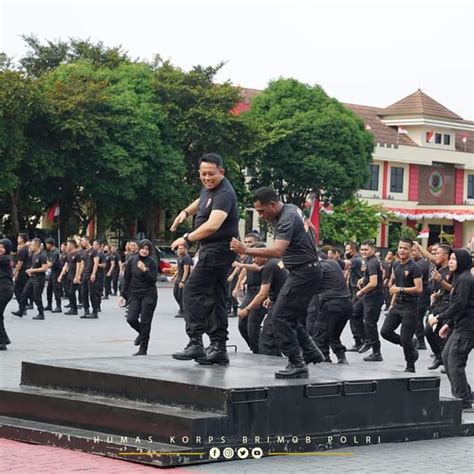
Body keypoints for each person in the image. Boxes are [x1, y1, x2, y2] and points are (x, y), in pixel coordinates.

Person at [231, 187, 323, 379]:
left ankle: (297, 363)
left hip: (304, 272)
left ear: (272, 204)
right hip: (305, 270)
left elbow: (277, 251)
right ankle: (310, 351)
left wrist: (246, 249)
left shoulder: (286, 218)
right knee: (287, 317)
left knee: (279, 318)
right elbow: (312, 229)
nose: (261, 216)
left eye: (262, 211)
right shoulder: (292, 208)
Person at [171, 153, 239, 366]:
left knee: (191, 290)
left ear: (222, 172)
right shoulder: (209, 188)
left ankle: (195, 341)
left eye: (211, 174)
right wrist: (185, 212)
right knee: (215, 295)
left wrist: (185, 238)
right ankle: (219, 347)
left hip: (218, 249)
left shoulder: (225, 193)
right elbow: (200, 201)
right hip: (214, 249)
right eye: (203, 174)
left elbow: (212, 225)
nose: (207, 178)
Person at [432, 249, 473, 410]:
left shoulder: (464, 279)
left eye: (454, 259)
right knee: (446, 356)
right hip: (461, 324)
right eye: (450, 259)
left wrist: (440, 318)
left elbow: (459, 305)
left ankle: (463, 400)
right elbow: (460, 305)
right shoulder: (459, 278)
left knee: (455, 361)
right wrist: (448, 325)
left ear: (462, 262)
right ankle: (465, 393)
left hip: (468, 327)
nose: (450, 261)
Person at [381, 238, 422, 372]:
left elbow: (419, 288)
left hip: (410, 306)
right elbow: (395, 286)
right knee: (385, 332)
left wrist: (401, 290)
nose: (402, 251)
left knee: (406, 338)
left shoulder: (414, 267)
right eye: (400, 248)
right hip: (397, 305)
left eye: (405, 248)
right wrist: (392, 304)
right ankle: (409, 344)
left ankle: (410, 366)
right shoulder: (396, 265)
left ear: (410, 250)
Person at [119, 239, 158, 356]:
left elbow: (153, 280)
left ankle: (143, 349)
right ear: (139, 248)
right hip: (135, 294)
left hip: (149, 294)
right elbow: (126, 278)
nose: (144, 251)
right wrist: (122, 294)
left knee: (146, 321)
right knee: (131, 318)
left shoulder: (152, 262)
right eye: (143, 248)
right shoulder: (132, 260)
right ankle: (142, 334)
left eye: (147, 249)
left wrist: (144, 270)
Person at [312, 258, 352, 364]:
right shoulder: (332, 262)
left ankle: (325, 362)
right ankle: (341, 357)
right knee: (333, 334)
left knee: (320, 335)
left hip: (332, 305)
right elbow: (347, 263)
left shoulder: (316, 268)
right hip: (347, 304)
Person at [352, 240, 385, 362]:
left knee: (370, 323)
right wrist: (363, 278)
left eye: (366, 250)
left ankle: (377, 352)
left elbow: (373, 283)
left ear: (373, 250)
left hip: (373, 296)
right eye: (362, 250)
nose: (364, 252)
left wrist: (361, 291)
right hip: (368, 296)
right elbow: (372, 277)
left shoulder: (372, 262)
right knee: (354, 314)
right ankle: (366, 340)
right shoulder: (369, 262)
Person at [234, 243, 268, 353]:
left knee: (252, 323)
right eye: (246, 242)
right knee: (242, 323)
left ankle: (258, 350)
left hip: (261, 291)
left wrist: (240, 265)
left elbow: (257, 268)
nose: (247, 244)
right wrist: (238, 285)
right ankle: (254, 346)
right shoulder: (249, 257)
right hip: (250, 291)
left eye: (250, 242)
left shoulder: (268, 259)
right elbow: (244, 272)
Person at [12, 238, 48, 320]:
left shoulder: (42, 255)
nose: (30, 246)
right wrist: (30, 270)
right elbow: (34, 265)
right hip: (32, 277)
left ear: (36, 245)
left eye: (32, 245)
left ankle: (41, 313)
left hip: (39, 278)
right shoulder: (33, 255)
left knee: (37, 296)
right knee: (24, 293)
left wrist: (33, 270)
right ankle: (21, 310)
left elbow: (45, 268)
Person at [345, 241, 365, 351]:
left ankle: (360, 340)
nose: (346, 252)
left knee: (353, 315)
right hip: (356, 290)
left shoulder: (355, 260)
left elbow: (344, 264)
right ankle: (361, 340)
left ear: (353, 250)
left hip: (357, 290)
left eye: (348, 250)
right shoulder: (359, 260)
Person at [412, 244, 431, 350]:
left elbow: (417, 278)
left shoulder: (421, 264)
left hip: (422, 293)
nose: (412, 253)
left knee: (418, 317)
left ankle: (421, 341)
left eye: (414, 250)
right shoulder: (413, 263)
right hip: (416, 292)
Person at [58, 239, 82, 315]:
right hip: (69, 276)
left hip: (74, 276)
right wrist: (61, 275)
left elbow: (79, 266)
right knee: (68, 292)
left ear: (72, 245)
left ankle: (74, 309)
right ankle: (72, 307)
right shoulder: (68, 255)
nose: (67, 246)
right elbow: (66, 266)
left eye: (68, 245)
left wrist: (77, 276)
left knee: (72, 292)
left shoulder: (77, 254)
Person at [0, 238, 14, 350]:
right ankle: (4, 340)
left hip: (4, 290)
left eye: (2, 247)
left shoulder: (5, 258)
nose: (0, 249)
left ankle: (2, 342)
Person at [173, 243, 193, 318]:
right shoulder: (179, 257)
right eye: (179, 248)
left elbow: (186, 271)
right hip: (178, 279)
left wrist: (183, 281)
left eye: (181, 248)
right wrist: (174, 276)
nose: (179, 250)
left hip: (183, 280)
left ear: (185, 249)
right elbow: (179, 269)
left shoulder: (186, 258)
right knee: (176, 294)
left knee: (181, 296)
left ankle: (183, 310)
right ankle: (182, 308)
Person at [13, 233, 31, 314]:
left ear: (22, 239)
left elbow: (20, 263)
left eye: (19, 238)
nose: (17, 239)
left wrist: (15, 272)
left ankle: (22, 308)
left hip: (23, 271)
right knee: (22, 290)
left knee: (17, 289)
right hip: (26, 271)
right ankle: (23, 307)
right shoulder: (26, 249)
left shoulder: (23, 250)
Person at [78, 236, 96, 319]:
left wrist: (93, 274)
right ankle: (86, 310)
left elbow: (96, 263)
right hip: (84, 275)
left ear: (87, 241)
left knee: (92, 293)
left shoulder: (94, 251)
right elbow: (82, 264)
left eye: (83, 241)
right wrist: (79, 275)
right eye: (81, 241)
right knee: (83, 293)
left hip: (91, 275)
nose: (82, 242)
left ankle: (95, 311)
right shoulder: (83, 252)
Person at [45, 238, 63, 313]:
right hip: (53, 271)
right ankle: (49, 305)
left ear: (50, 244)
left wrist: (44, 263)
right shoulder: (51, 252)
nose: (46, 245)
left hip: (57, 271)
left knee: (56, 288)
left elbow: (51, 264)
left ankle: (58, 306)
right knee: (49, 288)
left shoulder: (56, 252)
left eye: (47, 244)